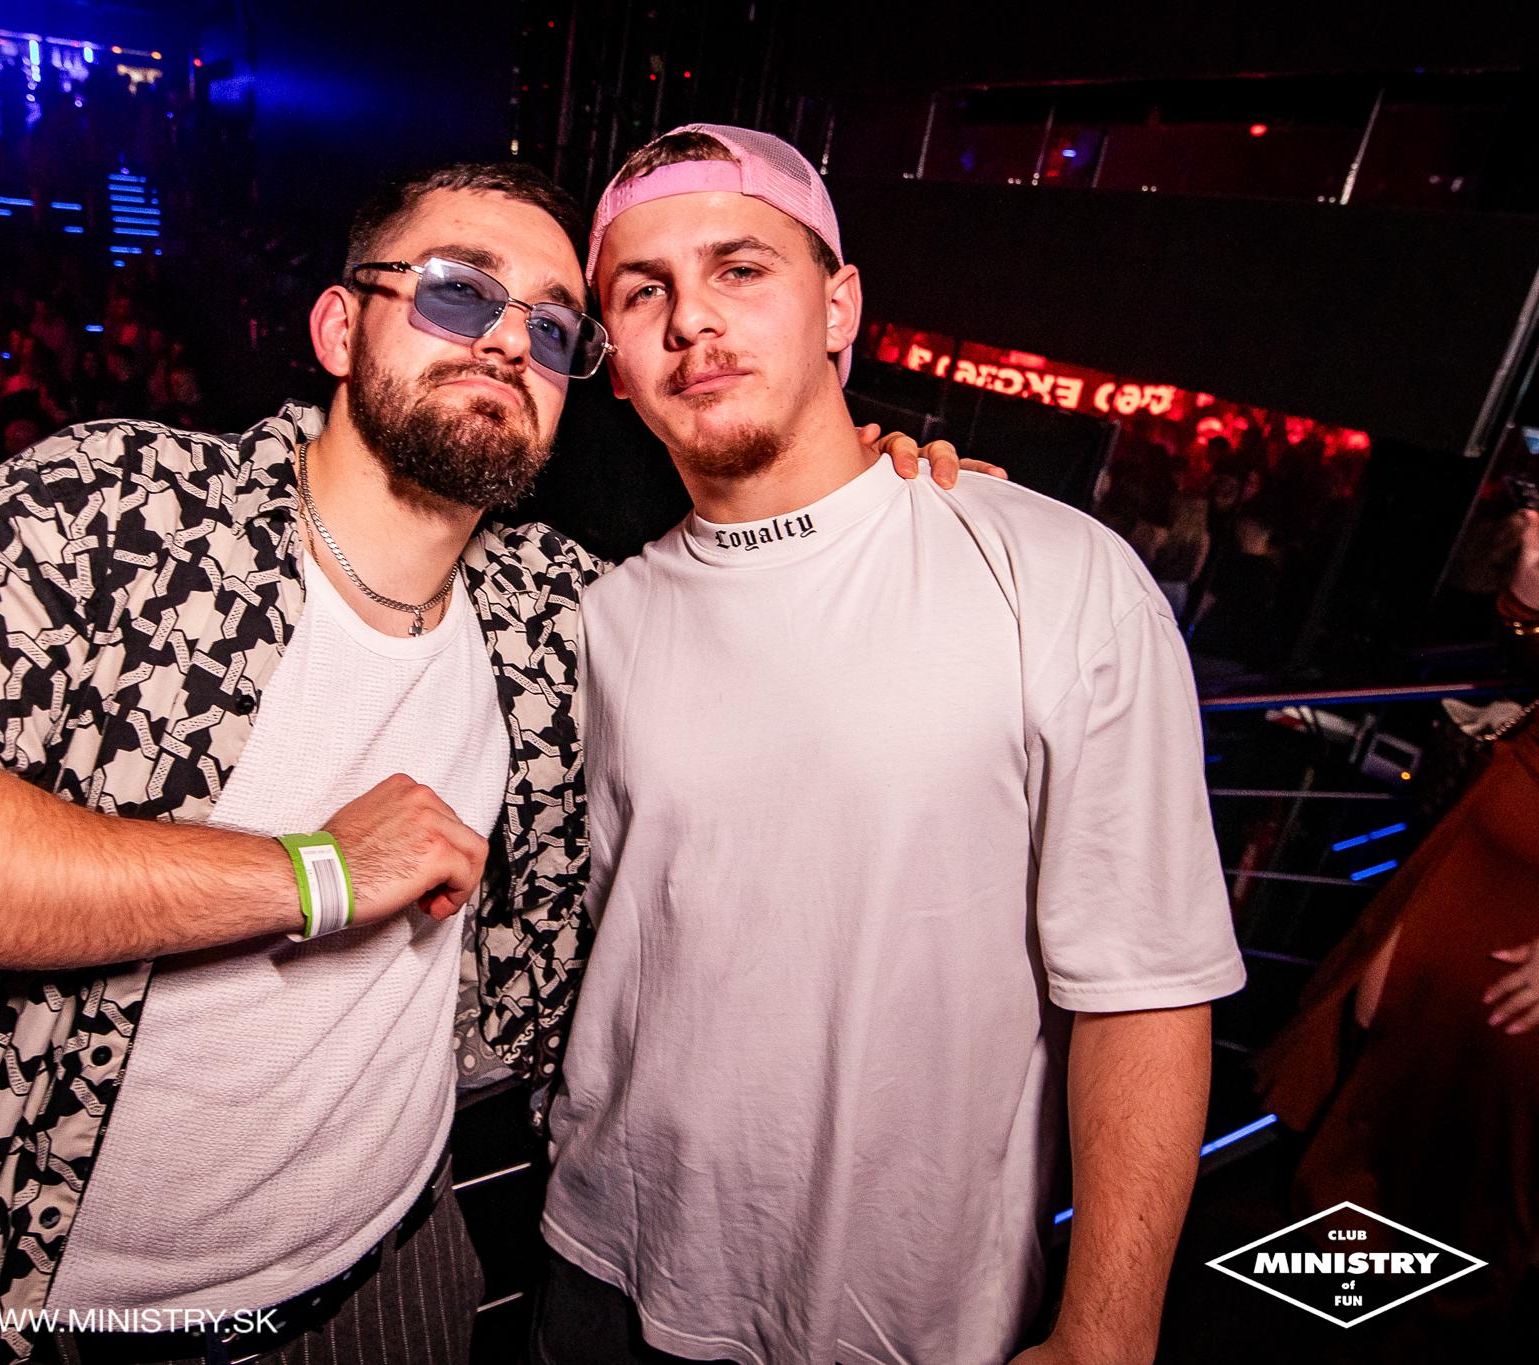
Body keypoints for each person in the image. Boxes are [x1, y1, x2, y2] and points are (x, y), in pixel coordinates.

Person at [0, 160, 969, 1365]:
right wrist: (313, 872)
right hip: (58, 1312)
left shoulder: (552, 612)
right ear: (336, 326)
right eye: (456, 292)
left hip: (396, 1280)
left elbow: (770, 628)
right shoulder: (121, 510)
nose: (505, 342)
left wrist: (882, 509)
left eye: (550, 327)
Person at [534, 125, 1246, 1365]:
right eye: (642, 293)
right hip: (600, 1260)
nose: (692, 320)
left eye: (739, 268)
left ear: (838, 306)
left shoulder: (1055, 576)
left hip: (893, 1316)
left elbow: (1143, 986)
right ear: (618, 369)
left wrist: (1107, 1332)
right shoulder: (603, 618)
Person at [1255, 506, 1539, 1360]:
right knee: (1339, 1265)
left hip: (1488, 1048)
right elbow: (1522, 636)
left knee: (1451, 1272)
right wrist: (1525, 578)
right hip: (1408, 1029)